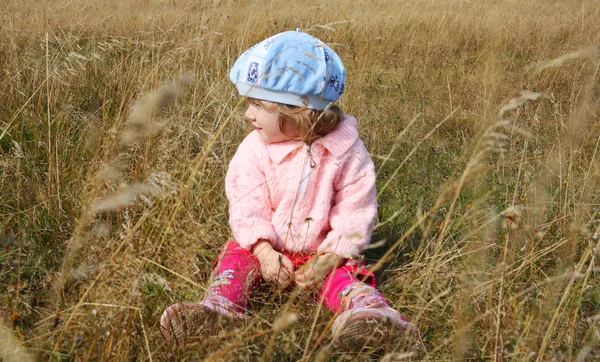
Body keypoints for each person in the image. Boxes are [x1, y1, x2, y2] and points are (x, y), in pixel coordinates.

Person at [160, 29, 418, 351]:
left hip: (321, 255)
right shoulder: (253, 150)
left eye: (257, 103)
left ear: (298, 110)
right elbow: (246, 203)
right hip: (264, 248)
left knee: (345, 278)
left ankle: (371, 316)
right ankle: (220, 309)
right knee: (235, 260)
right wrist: (264, 251)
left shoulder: (346, 151)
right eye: (248, 102)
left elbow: (356, 208)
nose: (247, 113)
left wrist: (331, 256)